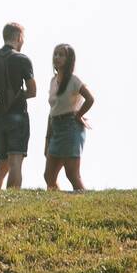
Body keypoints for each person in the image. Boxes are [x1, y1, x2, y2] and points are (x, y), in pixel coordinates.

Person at [0, 22, 36, 189]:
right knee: (15, 162)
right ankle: (12, 199)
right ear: (19, 37)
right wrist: (16, 99)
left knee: (2, 165)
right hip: (16, 116)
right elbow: (32, 91)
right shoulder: (22, 59)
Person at [43, 43, 95, 191]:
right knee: (48, 176)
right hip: (56, 128)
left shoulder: (73, 80)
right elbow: (52, 110)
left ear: (69, 59)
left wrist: (79, 115)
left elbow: (90, 99)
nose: (57, 57)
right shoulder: (53, 81)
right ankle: (57, 205)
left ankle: (84, 204)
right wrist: (47, 138)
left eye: (61, 55)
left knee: (72, 174)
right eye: (55, 54)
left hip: (71, 127)